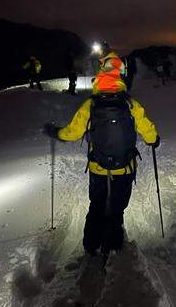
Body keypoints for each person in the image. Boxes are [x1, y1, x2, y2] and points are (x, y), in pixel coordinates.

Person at [43, 57, 160, 260]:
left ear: (100, 75)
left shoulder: (91, 105)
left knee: (96, 205)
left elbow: (72, 133)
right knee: (117, 207)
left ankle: (91, 246)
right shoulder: (130, 104)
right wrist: (154, 140)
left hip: (98, 168)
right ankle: (112, 245)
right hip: (124, 168)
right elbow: (148, 132)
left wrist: (56, 133)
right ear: (120, 76)